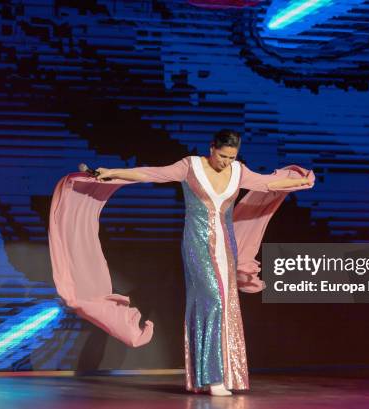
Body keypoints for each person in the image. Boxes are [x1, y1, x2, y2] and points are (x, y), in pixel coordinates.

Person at [48, 129, 314, 396]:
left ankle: (219, 376)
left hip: (226, 249)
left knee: (225, 306)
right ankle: (212, 378)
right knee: (212, 302)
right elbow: (149, 173)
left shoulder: (238, 171)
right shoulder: (190, 166)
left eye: (232, 157)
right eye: (223, 156)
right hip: (197, 247)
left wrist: (298, 182)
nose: (226, 162)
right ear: (212, 148)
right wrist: (113, 172)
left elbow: (267, 183)